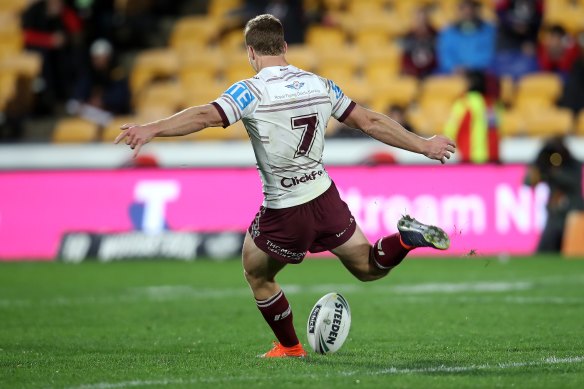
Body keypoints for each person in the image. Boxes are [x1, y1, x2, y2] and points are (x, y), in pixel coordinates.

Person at [114, 14, 456, 358]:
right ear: (285, 47)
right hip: (325, 196)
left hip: (286, 206)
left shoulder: (250, 91)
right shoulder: (321, 84)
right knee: (368, 267)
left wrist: (151, 128)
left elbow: (205, 116)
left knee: (256, 273)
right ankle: (404, 238)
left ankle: (290, 347)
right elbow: (370, 121)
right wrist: (424, 144)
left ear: (250, 52)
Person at [524, 137, 584, 253]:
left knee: (572, 251)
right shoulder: (546, 166)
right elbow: (528, 182)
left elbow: (572, 181)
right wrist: (537, 168)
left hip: (573, 214)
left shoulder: (572, 164)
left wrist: (553, 171)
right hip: (555, 216)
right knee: (544, 252)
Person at [443, 71, 499, 163]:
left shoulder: (464, 103)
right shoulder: (491, 104)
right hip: (492, 157)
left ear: (469, 83)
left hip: (470, 157)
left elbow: (450, 129)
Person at [436, 0, 495, 75]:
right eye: (463, 8)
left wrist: (471, 68)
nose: (467, 12)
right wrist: (454, 67)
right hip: (454, 73)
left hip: (482, 73)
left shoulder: (489, 31)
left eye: (471, 8)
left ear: (477, 9)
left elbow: (491, 55)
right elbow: (445, 55)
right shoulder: (448, 33)